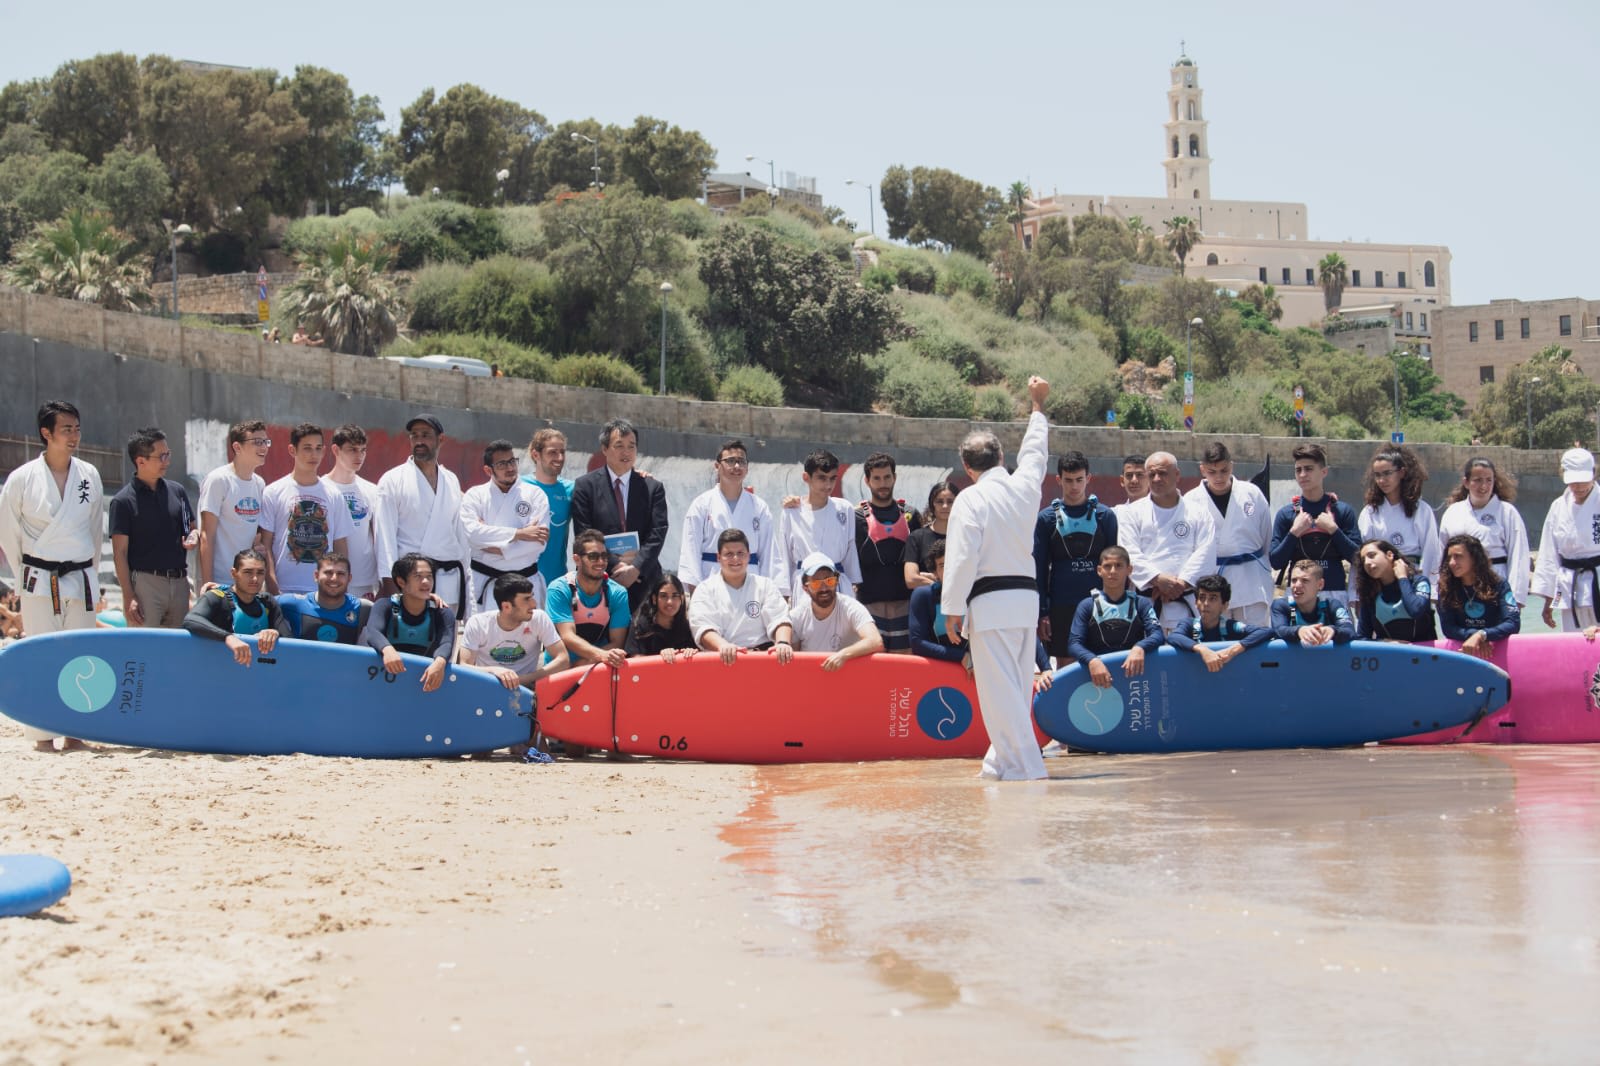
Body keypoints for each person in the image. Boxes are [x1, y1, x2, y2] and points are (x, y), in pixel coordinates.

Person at [941, 374, 1051, 781]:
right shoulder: (1025, 487)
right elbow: (1035, 453)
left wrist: (952, 608)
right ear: (1002, 457)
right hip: (1025, 603)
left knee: (999, 694)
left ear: (967, 468)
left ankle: (1026, 769)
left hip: (990, 604)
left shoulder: (971, 498)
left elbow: (962, 557)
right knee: (1016, 689)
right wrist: (1037, 408)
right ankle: (999, 764)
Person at [0, 401, 104, 751]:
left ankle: (76, 732)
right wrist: (23, 573)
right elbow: (8, 531)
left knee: (82, 655)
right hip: (38, 576)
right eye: (66, 429)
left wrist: (92, 574)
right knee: (41, 654)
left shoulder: (88, 475)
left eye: (77, 428)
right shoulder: (22, 478)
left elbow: (94, 529)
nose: (74, 436)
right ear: (47, 433)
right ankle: (42, 734)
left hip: (80, 575)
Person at [373, 414, 471, 617]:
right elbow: (384, 537)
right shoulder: (393, 480)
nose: (419, 441)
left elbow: (460, 535)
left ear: (440, 439)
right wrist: (391, 585)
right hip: (411, 583)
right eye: (414, 435)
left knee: (447, 636)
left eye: (425, 435)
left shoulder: (451, 480)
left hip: (449, 581)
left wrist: (466, 577)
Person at [569, 418, 669, 611]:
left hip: (643, 578)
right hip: (600, 576)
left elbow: (658, 531)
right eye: (619, 446)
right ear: (605, 449)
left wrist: (636, 568)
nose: (626, 452)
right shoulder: (585, 486)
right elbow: (584, 533)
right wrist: (615, 566)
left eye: (631, 446)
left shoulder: (652, 487)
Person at [110, 427, 198, 629]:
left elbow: (191, 528)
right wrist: (128, 596)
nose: (167, 461)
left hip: (179, 583)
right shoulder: (122, 501)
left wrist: (193, 536)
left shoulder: (178, 492)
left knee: (177, 644)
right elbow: (119, 553)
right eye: (161, 456)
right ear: (141, 461)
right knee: (144, 645)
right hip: (145, 585)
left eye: (168, 454)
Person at [1033, 452, 1119, 661]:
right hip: (1061, 605)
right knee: (1066, 665)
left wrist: (1117, 604)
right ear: (1058, 479)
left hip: (1099, 604)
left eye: (1079, 480)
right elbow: (1039, 568)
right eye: (1069, 480)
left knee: (1103, 663)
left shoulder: (1105, 516)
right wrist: (1042, 612)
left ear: (1088, 478)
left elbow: (1115, 566)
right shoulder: (1046, 518)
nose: (1074, 486)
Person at [1120, 452, 1217, 635]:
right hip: (1146, 602)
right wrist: (1157, 579)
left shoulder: (1198, 513)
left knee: (1187, 651)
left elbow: (1206, 552)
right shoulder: (1132, 513)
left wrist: (1181, 583)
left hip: (1186, 603)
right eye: (1152, 474)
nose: (1157, 479)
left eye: (1163, 473)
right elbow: (1128, 552)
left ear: (1177, 475)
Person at [1184, 442, 1272, 626]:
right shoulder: (1190, 500)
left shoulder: (1252, 494)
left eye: (1224, 470)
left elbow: (1267, 539)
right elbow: (1187, 547)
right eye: (1212, 471)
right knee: (1216, 637)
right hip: (1211, 580)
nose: (1218, 477)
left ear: (1231, 466)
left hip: (1251, 579)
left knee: (1255, 635)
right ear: (1202, 469)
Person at [259, 422, 352, 596]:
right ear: (292, 450)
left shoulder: (334, 495)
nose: (314, 455)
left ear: (324, 451)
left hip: (323, 593)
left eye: (318, 448)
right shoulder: (273, 492)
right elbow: (266, 544)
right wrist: (272, 586)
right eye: (307, 448)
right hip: (283, 590)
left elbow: (340, 545)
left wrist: (340, 586)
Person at [462, 439, 550, 617]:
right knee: (481, 633)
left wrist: (493, 546)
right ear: (488, 470)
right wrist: (520, 534)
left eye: (512, 461)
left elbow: (538, 543)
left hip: (525, 580)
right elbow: (472, 535)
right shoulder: (475, 495)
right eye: (502, 464)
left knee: (528, 634)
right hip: (485, 579)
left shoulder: (535, 495)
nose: (510, 468)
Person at [678, 439, 774, 593]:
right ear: (717, 466)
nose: (736, 466)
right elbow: (690, 551)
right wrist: (696, 592)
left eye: (741, 461)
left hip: (751, 583)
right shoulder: (701, 505)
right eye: (730, 461)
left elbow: (769, 554)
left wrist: (768, 591)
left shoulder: (760, 507)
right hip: (711, 581)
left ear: (747, 468)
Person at [1269, 443, 1360, 605]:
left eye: (1309, 469)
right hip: (1297, 595)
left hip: (1334, 593)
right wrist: (1294, 532)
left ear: (1324, 472)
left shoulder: (1342, 511)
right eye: (1298, 470)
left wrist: (1333, 529)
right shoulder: (1286, 514)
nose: (1303, 474)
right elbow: (1275, 562)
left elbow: (1358, 558)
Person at [687, 529, 794, 665]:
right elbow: (702, 627)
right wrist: (723, 646)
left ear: (748, 556)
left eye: (740, 553)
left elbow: (780, 618)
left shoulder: (765, 585)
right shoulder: (705, 589)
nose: (735, 559)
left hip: (761, 661)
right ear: (718, 557)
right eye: (729, 554)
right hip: (721, 661)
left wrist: (783, 643)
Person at [1066, 546, 1165, 689]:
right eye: (1107, 566)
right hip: (1096, 678)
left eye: (1119, 566)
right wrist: (1092, 660)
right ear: (1099, 570)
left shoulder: (1140, 603)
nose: (1113, 571)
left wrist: (1140, 647)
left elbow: (1158, 635)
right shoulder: (1087, 605)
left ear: (1129, 570)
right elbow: (1074, 644)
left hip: (1134, 679)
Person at [772, 450, 863, 602]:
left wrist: (854, 582)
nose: (828, 485)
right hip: (805, 585)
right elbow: (784, 554)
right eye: (822, 478)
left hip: (837, 583)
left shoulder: (844, 508)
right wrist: (784, 593)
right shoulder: (791, 511)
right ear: (806, 477)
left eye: (832, 478)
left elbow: (850, 549)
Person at [855, 452, 923, 654]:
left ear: (895, 477)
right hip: (868, 607)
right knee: (872, 666)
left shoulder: (911, 515)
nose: (882, 483)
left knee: (904, 666)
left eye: (887, 477)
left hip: (905, 604)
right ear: (867, 481)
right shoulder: (856, 517)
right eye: (876, 478)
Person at [1438, 457, 1530, 606]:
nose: (1484, 486)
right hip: (1460, 585)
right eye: (1478, 480)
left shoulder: (1507, 512)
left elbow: (1518, 555)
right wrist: (1441, 589)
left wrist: (1515, 598)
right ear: (1466, 482)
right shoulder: (1453, 512)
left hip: (1496, 580)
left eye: (1489, 480)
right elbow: (1442, 553)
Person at [361, 553, 456, 692]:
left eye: (429, 576)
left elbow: (446, 643)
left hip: (423, 683)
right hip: (385, 681)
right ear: (401, 582)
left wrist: (440, 662)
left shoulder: (442, 612)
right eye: (418, 576)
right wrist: (387, 650)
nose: (426, 582)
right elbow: (373, 632)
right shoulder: (384, 606)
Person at [458, 574, 569, 692]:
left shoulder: (539, 618)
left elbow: (563, 660)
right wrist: (494, 671)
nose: (534, 604)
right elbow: (463, 666)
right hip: (487, 687)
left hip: (527, 688)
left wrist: (522, 680)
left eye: (532, 597)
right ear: (506, 607)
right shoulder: (478, 623)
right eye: (526, 599)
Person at [183, 548, 290, 667]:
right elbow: (191, 620)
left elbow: (289, 640)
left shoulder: (267, 602)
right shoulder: (217, 598)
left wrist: (275, 633)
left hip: (256, 671)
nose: (255, 579)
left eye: (260, 573)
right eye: (248, 572)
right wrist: (228, 637)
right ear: (234, 573)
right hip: (218, 668)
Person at [1532, 448, 1600, 632]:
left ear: (1594, 473)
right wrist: (1549, 600)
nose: (1578, 486)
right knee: (1573, 640)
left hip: (1597, 580)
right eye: (1573, 481)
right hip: (1568, 585)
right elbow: (1549, 554)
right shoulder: (1558, 507)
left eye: (1583, 480)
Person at [198, 418, 270, 589]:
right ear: (237, 447)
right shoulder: (219, 480)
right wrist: (208, 583)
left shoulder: (259, 483)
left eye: (266, 442)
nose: (264, 447)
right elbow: (206, 535)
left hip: (247, 583)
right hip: (219, 581)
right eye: (257, 442)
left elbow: (254, 534)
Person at [546, 529, 632, 669]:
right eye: (593, 556)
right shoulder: (559, 589)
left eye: (604, 556)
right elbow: (567, 636)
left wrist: (586, 663)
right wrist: (600, 656)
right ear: (577, 559)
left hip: (596, 665)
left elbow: (618, 642)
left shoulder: (618, 593)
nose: (601, 562)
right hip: (562, 665)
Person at [1357, 445, 1442, 583]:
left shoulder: (1421, 510)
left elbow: (1431, 552)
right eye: (1377, 475)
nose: (1382, 480)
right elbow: (1364, 551)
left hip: (1413, 579)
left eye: (1387, 473)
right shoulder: (1370, 512)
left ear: (1401, 473)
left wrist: (1427, 586)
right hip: (1382, 582)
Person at [787, 551, 882, 670]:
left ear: (837, 581)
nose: (824, 588)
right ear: (805, 588)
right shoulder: (797, 616)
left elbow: (875, 640)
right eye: (816, 583)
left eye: (829, 581)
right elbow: (794, 661)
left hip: (849, 676)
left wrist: (843, 655)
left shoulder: (851, 607)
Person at [1439, 533, 1520, 659]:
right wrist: (1475, 635)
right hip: (1464, 653)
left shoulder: (1499, 584)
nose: (1452, 563)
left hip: (1495, 651)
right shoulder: (1446, 588)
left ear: (1474, 558)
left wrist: (1483, 635)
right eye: (1449, 558)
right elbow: (1448, 628)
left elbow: (1513, 623)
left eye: (1458, 556)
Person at [324, 424, 382, 600]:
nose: (359, 456)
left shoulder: (372, 490)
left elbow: (378, 537)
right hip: (330, 579)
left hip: (365, 581)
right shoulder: (322, 489)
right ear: (336, 450)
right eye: (352, 450)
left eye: (363, 450)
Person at [1166, 573, 1271, 670]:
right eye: (1202, 598)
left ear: (1225, 605)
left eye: (1213, 598)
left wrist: (1233, 651)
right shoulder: (1189, 624)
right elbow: (1174, 637)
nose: (1206, 603)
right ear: (1196, 603)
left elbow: (1265, 631)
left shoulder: (1231, 626)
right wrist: (1203, 650)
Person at [1353, 539, 1436, 642]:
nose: (1367, 562)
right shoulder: (1369, 594)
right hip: (1389, 652)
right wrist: (1385, 642)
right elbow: (1361, 638)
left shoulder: (1419, 582)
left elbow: (1416, 610)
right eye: (1363, 560)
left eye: (1372, 555)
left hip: (1424, 651)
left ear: (1389, 555)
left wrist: (1402, 578)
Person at [278, 552, 371, 644]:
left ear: (349, 578)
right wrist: (272, 630)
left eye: (340, 573)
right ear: (316, 576)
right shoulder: (295, 604)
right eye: (328, 572)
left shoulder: (362, 608)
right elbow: (269, 603)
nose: (334, 578)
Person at [524, 428, 574, 593]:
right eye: (553, 452)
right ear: (536, 455)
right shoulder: (519, 486)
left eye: (562, 452)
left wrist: (635, 475)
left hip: (557, 582)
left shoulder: (571, 489)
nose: (559, 458)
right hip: (523, 580)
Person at [1270, 559, 1356, 646]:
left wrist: (1333, 630)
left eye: (1305, 580)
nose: (1297, 585)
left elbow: (1350, 631)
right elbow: (1278, 630)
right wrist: (1299, 631)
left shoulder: (1332, 605)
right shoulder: (1281, 605)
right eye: (1294, 580)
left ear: (1320, 584)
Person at [625, 573, 697, 661]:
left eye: (675, 596)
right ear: (654, 599)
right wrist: (661, 658)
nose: (669, 602)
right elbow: (636, 661)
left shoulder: (688, 629)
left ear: (681, 599)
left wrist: (690, 654)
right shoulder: (640, 626)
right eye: (663, 596)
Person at [904, 480, 959, 591]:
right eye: (939, 501)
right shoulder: (917, 537)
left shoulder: (967, 536)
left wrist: (927, 578)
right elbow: (911, 579)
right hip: (928, 599)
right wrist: (938, 586)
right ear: (932, 504)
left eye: (950, 501)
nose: (945, 506)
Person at [1111, 454, 1149, 525]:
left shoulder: (1159, 513)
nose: (1134, 480)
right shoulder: (1114, 515)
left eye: (1140, 475)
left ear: (1150, 480)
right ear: (1122, 480)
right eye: (1129, 475)